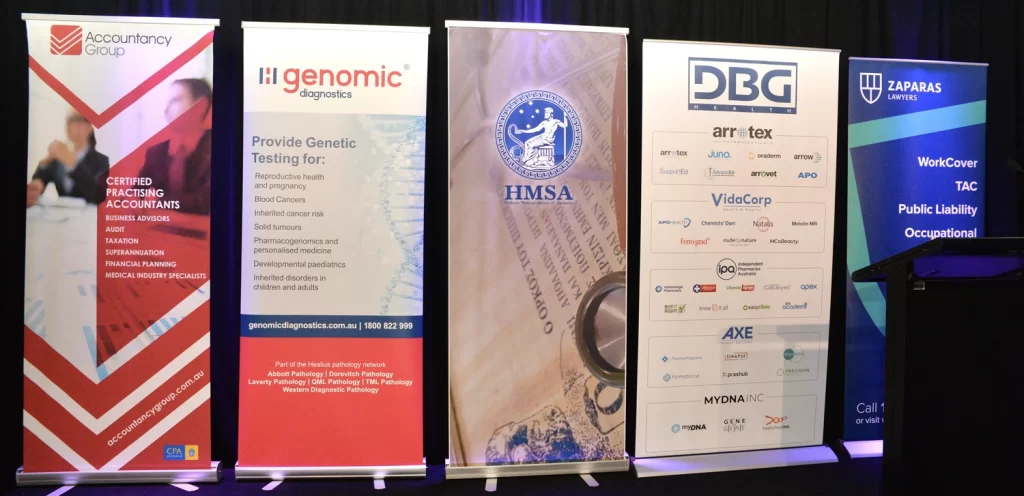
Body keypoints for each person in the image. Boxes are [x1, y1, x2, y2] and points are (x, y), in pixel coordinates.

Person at [137, 78, 212, 215]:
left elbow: (205, 203)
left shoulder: (219, 149)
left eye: (175, 100)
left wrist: (157, 201)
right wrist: (132, 200)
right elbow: (136, 191)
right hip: (158, 227)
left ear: (200, 106)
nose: (165, 110)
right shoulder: (155, 152)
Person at [26, 112, 109, 207]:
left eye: (75, 119)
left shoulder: (102, 161)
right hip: (60, 215)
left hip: (88, 216)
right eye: (67, 119)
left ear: (89, 127)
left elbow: (100, 196)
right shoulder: (59, 156)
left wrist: (73, 164)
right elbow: (39, 183)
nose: (68, 123)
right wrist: (43, 166)